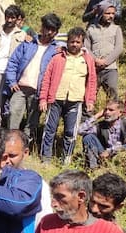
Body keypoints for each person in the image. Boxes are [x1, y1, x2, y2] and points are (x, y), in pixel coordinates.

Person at [39, 27, 97, 164]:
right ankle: (45, 158)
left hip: (75, 101)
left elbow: (92, 80)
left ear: (82, 43)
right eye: (72, 42)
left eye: (78, 42)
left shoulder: (88, 59)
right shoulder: (58, 58)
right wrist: (43, 99)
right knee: (50, 129)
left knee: (71, 132)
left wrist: (90, 100)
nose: (74, 45)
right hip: (56, 99)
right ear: (67, 42)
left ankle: (66, 159)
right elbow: (47, 78)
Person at [5, 13, 62, 146]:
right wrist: (12, 81)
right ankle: (10, 145)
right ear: (42, 27)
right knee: (13, 115)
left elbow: (79, 48)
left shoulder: (56, 49)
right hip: (20, 87)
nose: (48, 32)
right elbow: (13, 62)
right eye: (46, 28)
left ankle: (24, 147)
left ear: (56, 32)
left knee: (32, 122)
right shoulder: (28, 44)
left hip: (38, 91)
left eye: (52, 30)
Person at [2, 129, 53, 223]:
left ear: (25, 153)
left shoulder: (38, 185)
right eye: (2, 156)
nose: (7, 160)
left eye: (12, 156)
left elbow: (43, 221)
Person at [79, 100, 126, 169]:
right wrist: (97, 116)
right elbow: (80, 131)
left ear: (120, 113)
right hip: (103, 155)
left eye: (111, 110)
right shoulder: (101, 125)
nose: (107, 112)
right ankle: (93, 168)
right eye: (105, 110)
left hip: (121, 154)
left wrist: (110, 151)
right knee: (88, 137)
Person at [85, 1, 124, 101]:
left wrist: (106, 61)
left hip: (110, 68)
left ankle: (112, 115)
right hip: (94, 68)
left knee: (112, 94)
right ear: (101, 13)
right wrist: (96, 60)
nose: (111, 16)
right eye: (108, 13)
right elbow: (86, 48)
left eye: (113, 13)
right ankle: (87, 116)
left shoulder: (116, 29)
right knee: (90, 94)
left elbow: (119, 48)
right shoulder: (91, 29)